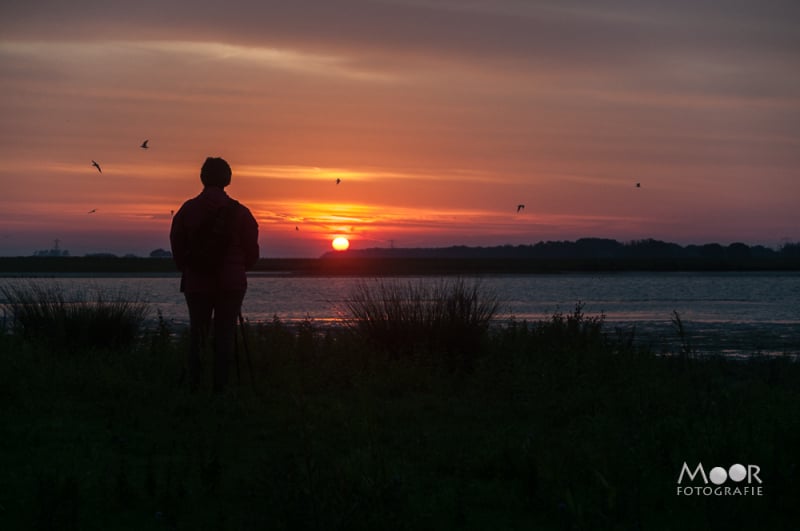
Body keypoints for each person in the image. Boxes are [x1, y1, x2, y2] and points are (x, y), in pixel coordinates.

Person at [170, 157, 259, 392]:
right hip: (232, 283)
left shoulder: (187, 210)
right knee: (225, 337)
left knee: (197, 335)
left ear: (202, 178)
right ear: (228, 180)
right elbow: (253, 253)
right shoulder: (241, 213)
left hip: (196, 281)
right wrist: (237, 268)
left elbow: (177, 244)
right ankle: (221, 390)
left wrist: (188, 267)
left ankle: (195, 388)